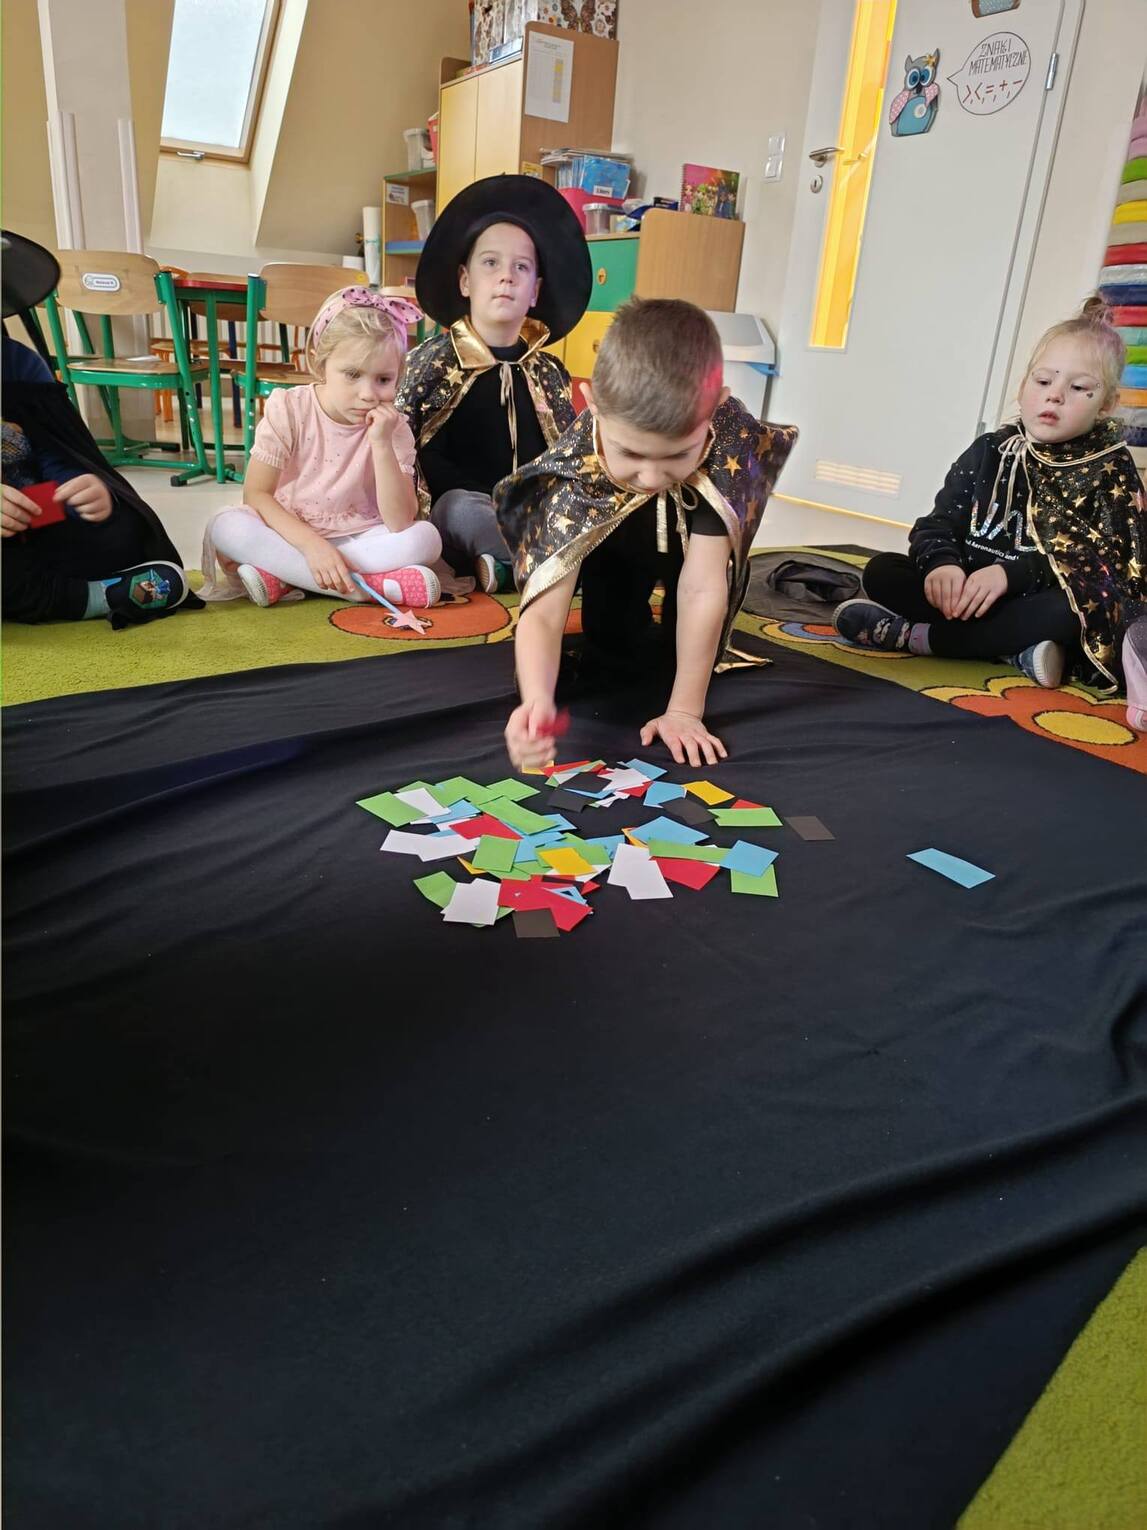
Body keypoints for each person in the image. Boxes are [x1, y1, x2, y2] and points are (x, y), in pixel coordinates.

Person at [494, 298, 797, 769]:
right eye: (631, 454)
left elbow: (702, 587)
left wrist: (684, 712)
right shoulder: (580, 457)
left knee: (686, 655)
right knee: (610, 642)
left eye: (676, 455)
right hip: (613, 544)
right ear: (592, 403)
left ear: (716, 407)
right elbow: (546, 611)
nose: (652, 477)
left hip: (689, 543)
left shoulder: (727, 440)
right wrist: (536, 700)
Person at [833, 297, 1147, 691]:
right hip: (964, 595)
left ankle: (919, 638)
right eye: (1043, 381)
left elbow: (1106, 566)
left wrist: (1009, 576)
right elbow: (937, 524)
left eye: (1079, 387)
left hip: (1032, 601)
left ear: (1106, 405)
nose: (1055, 395)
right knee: (882, 570)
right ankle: (1013, 651)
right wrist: (942, 567)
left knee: (1071, 612)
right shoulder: (990, 450)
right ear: (1023, 386)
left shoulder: (1108, 468)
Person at [397, 174, 589, 594]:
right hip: (465, 510)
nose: (507, 277)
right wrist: (496, 500)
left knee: (588, 512)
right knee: (460, 511)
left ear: (535, 291)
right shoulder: (431, 363)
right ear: (465, 281)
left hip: (534, 513)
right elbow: (416, 456)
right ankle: (558, 568)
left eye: (521, 267)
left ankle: (506, 569)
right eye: (490, 263)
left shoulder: (548, 372)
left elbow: (566, 458)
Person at [1, 231, 200, 629]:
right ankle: (95, 597)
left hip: (38, 519)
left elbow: (57, 449)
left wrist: (85, 488)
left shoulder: (18, 366)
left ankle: (84, 586)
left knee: (123, 525)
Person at [200, 288, 442, 608]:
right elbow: (256, 494)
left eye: (383, 379)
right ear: (320, 362)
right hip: (290, 534)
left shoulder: (393, 426)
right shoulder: (289, 409)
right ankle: (365, 588)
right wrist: (312, 547)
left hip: (360, 534)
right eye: (352, 374)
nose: (368, 394)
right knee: (227, 527)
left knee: (426, 539)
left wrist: (381, 443)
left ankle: (288, 576)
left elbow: (399, 521)